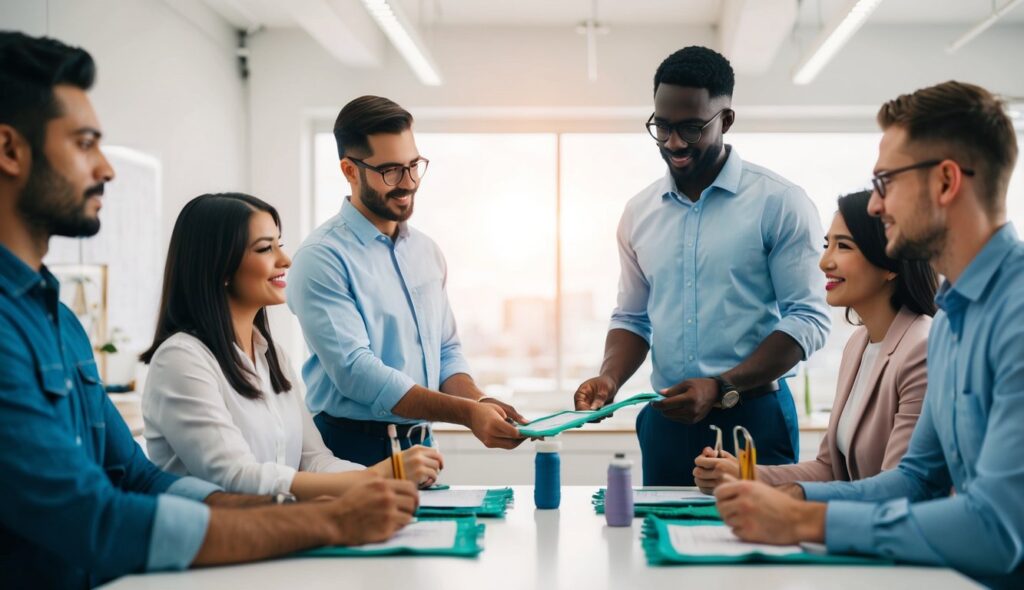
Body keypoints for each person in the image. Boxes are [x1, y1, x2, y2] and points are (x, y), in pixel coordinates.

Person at [0, 32, 416, 589]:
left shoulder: (60, 321)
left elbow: (139, 480)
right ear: (9, 151)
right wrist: (325, 519)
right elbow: (92, 518)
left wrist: (327, 508)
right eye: (84, 143)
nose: (107, 168)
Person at [714, 81, 1024, 587]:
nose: (876, 207)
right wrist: (790, 498)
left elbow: (998, 529)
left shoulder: (1015, 318)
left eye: (886, 181)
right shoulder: (951, 322)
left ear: (946, 182)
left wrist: (805, 520)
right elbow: (918, 481)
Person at [572, 46, 831, 485]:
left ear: (725, 120)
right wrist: (609, 377)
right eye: (663, 126)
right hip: (666, 424)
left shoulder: (779, 203)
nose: (673, 142)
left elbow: (808, 319)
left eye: (691, 128)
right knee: (658, 545)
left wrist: (722, 385)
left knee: (755, 545)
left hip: (755, 420)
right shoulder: (639, 213)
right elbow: (633, 318)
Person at [141, 192, 445, 499]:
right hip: (216, 542)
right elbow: (234, 475)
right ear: (219, 268)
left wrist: (386, 479)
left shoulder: (272, 356)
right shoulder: (181, 360)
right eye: (265, 248)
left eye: (279, 244)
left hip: (280, 536)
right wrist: (385, 474)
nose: (285, 260)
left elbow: (313, 461)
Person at [286, 95, 525, 466]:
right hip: (349, 450)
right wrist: (466, 414)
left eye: (414, 165)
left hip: (423, 446)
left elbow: (446, 350)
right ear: (350, 171)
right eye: (391, 171)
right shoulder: (321, 258)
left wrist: (479, 401)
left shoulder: (426, 252)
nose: (409, 182)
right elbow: (356, 373)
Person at [693, 190, 936, 492]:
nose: (824, 262)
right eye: (827, 245)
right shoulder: (859, 344)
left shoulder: (922, 350)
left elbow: (901, 488)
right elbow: (831, 469)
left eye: (843, 246)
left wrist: (799, 496)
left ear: (890, 263)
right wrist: (742, 474)